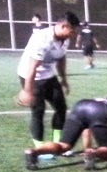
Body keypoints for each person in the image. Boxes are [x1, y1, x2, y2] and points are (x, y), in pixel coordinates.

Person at [24, 94, 107, 171]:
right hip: (98, 110)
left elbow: (87, 128)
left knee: (64, 146)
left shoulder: (103, 101)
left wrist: (87, 148)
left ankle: (34, 152)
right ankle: (93, 153)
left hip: (80, 106)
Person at [16, 11, 79, 149]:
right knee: (38, 110)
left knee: (61, 108)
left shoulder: (65, 39)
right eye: (72, 31)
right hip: (31, 76)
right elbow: (32, 68)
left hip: (48, 75)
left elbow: (61, 58)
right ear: (63, 26)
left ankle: (58, 143)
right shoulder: (43, 39)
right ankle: (40, 147)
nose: (73, 34)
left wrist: (64, 79)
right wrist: (27, 91)